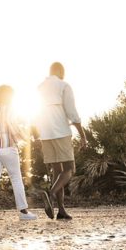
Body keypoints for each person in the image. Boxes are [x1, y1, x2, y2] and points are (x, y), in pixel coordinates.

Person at [0, 85, 37, 222]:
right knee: (16, 178)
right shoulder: (9, 109)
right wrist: (26, 139)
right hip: (6, 147)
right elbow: (13, 128)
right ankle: (23, 212)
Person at [36, 62, 87, 220]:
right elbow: (72, 112)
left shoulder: (40, 87)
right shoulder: (64, 85)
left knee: (57, 172)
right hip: (61, 132)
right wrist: (83, 135)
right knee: (69, 169)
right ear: (59, 71)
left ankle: (61, 210)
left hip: (45, 134)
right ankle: (51, 193)